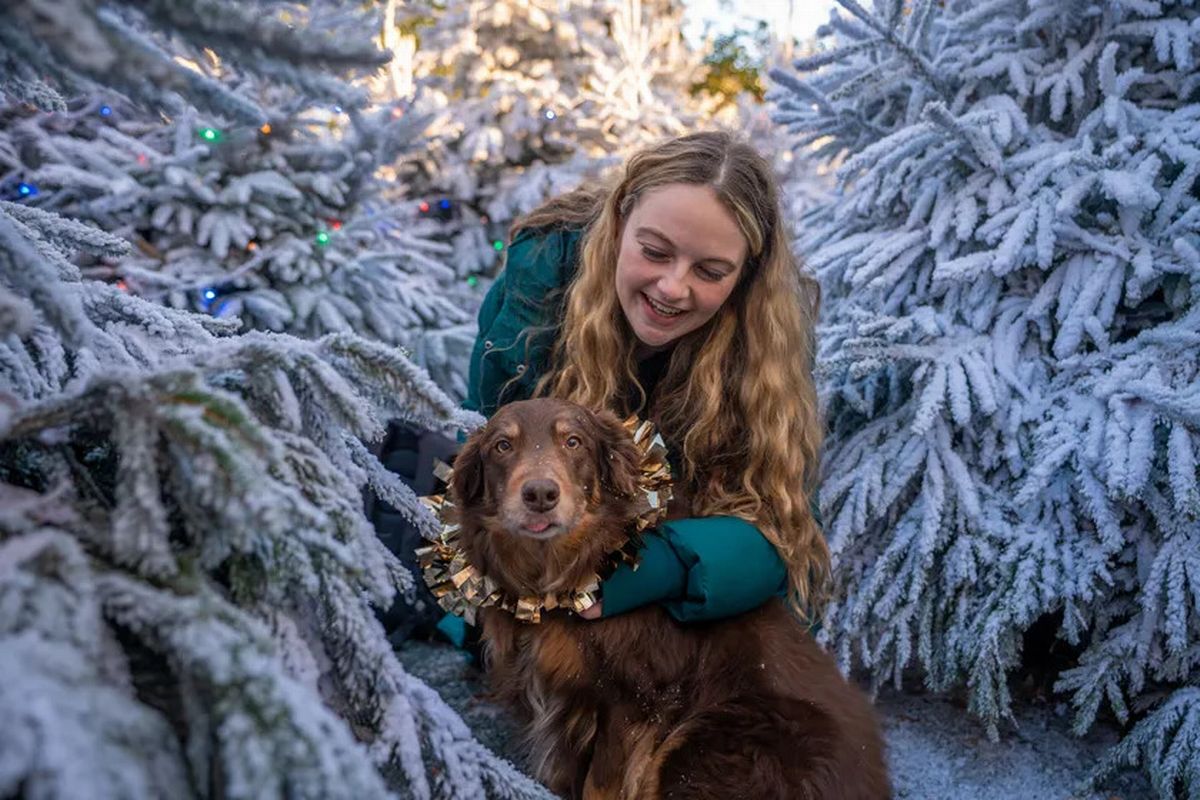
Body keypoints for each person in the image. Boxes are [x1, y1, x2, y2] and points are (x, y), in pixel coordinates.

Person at [462, 129, 827, 627]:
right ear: (618, 223)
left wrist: (655, 568)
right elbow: (487, 473)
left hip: (671, 595)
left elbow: (781, 527)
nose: (673, 287)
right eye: (654, 252)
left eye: (711, 271)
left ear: (745, 277)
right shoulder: (535, 296)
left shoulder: (768, 338)